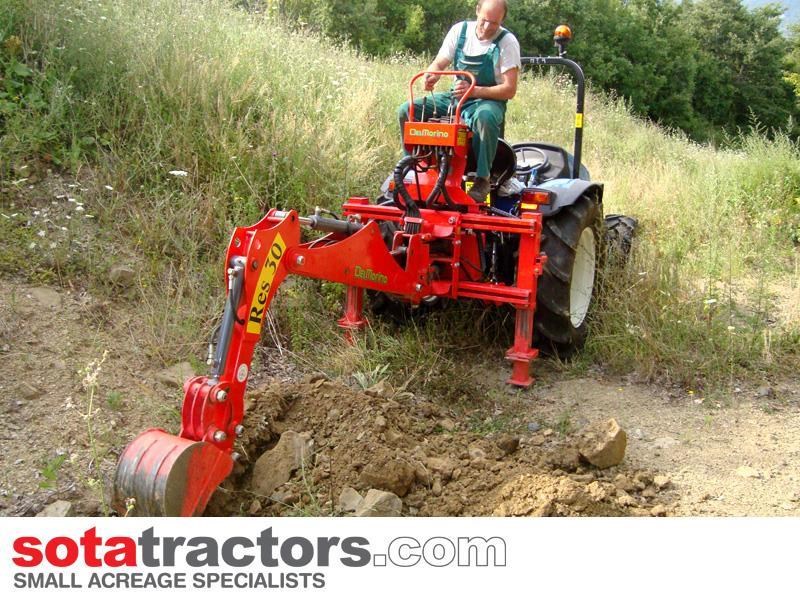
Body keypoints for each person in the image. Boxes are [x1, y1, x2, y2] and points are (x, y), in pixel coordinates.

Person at [397, 0, 521, 203]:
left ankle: (482, 179)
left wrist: (475, 91)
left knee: (485, 117)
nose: (487, 27)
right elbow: (439, 62)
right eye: (484, 20)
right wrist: (433, 74)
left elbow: (509, 89)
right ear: (477, 11)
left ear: (502, 21)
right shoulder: (460, 31)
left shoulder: (507, 43)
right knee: (407, 110)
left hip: (487, 100)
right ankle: (413, 166)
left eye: (494, 23)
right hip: (456, 98)